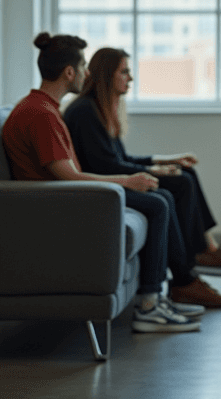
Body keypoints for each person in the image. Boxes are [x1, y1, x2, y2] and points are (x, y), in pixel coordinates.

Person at [1, 33, 201, 334]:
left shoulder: (42, 108)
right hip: (60, 204)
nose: (87, 73)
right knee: (158, 202)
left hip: (63, 199)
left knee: (160, 197)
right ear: (70, 72)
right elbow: (68, 177)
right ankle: (149, 305)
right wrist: (127, 181)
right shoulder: (41, 115)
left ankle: (157, 295)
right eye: (83, 66)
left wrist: (128, 180)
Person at [63, 48, 221, 310]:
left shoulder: (100, 109)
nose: (130, 78)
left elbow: (119, 158)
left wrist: (163, 161)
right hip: (104, 186)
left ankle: (203, 252)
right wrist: (157, 171)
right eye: (124, 71)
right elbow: (105, 165)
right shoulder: (85, 112)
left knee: (185, 173)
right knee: (179, 184)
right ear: (106, 75)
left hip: (112, 178)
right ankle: (192, 268)